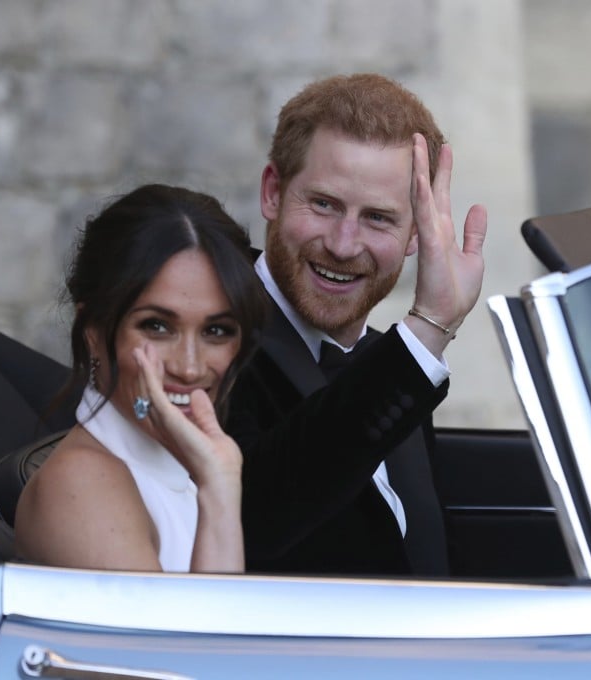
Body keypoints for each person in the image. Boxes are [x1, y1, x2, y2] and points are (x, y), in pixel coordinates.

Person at [226, 73, 488, 576]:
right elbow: (255, 521)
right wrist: (430, 326)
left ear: (416, 234)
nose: (344, 245)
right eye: (324, 205)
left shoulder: (388, 362)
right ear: (273, 193)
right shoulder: (211, 337)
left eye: (378, 219)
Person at [14, 184, 267, 573]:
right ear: (94, 333)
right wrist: (218, 489)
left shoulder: (178, 467)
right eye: (157, 326)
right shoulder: (82, 483)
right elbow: (202, 637)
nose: (189, 367)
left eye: (216, 331)